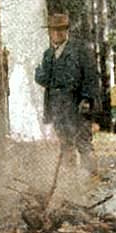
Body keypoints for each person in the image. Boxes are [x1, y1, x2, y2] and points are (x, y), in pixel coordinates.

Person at [35, 13, 100, 176]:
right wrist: (38, 72)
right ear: (49, 32)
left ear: (67, 31)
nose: (58, 33)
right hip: (57, 107)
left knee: (83, 143)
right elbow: (45, 81)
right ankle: (70, 181)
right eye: (54, 30)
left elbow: (91, 76)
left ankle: (91, 178)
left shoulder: (80, 50)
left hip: (76, 105)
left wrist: (86, 99)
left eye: (62, 29)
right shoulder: (48, 54)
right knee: (65, 144)